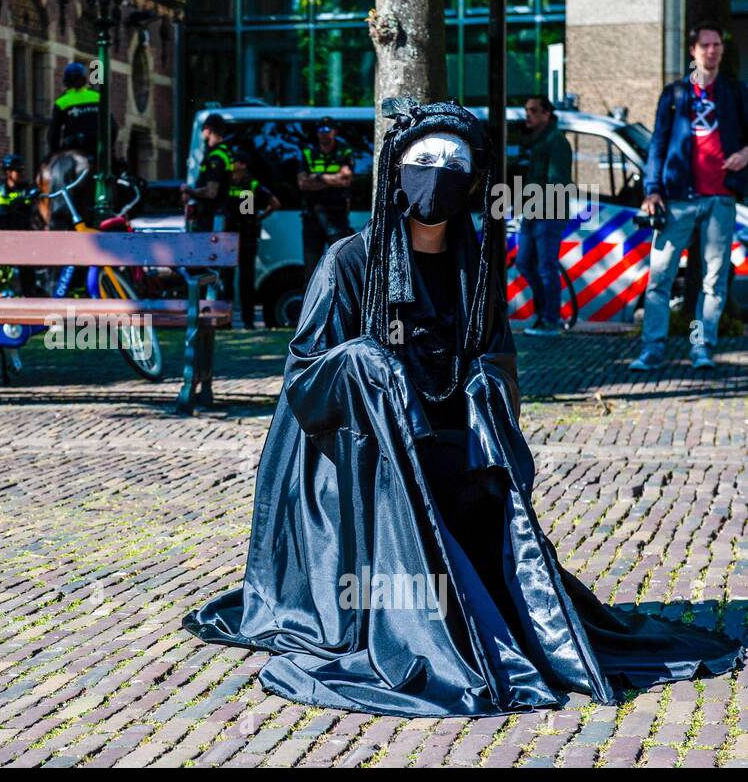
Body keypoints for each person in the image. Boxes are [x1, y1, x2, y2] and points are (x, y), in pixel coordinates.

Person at [182, 100, 744, 717]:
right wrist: (365, 365)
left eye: (455, 163)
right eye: (424, 161)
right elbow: (305, 379)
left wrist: (483, 385)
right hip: (365, 460)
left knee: (482, 510)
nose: (438, 175)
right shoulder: (348, 262)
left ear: (474, 179)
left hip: (450, 447)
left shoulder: (474, 269)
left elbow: (498, 360)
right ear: (397, 170)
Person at [631, 21, 748, 372]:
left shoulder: (735, 92)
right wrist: (652, 190)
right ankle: (652, 349)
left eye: (717, 45)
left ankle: (701, 348)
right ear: (693, 51)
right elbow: (658, 144)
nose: (713, 51)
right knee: (660, 278)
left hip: (720, 198)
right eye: (706, 45)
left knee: (713, 282)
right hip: (678, 198)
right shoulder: (676, 94)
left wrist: (745, 153)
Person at [516, 95, 574, 337]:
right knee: (524, 263)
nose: (528, 115)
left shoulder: (556, 141)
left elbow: (556, 183)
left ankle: (550, 320)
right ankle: (543, 315)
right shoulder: (538, 141)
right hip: (534, 213)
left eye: (533, 111)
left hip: (548, 214)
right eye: (526, 110)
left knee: (545, 267)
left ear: (546, 114)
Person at [222, 149, 280, 329]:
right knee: (231, 279)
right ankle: (233, 320)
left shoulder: (249, 185)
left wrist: (256, 219)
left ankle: (243, 320)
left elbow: (274, 203)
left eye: (235, 162)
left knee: (240, 280)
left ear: (243, 165)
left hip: (242, 236)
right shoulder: (231, 183)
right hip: (236, 236)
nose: (231, 165)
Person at [296, 115, 355, 283]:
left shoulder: (343, 151)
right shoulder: (308, 153)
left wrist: (318, 177)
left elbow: (346, 180)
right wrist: (333, 179)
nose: (323, 134)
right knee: (311, 266)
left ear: (334, 132)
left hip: (337, 215)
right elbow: (303, 184)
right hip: (312, 216)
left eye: (327, 130)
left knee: (339, 262)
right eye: (320, 130)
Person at [0, 154, 41, 296]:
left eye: (22, 171)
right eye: (18, 171)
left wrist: (34, 198)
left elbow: (38, 213)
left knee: (27, 282)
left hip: (23, 242)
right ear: (8, 172)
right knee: (0, 281)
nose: (22, 174)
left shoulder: (27, 190)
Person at [181, 113, 232, 233]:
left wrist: (188, 190)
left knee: (209, 250)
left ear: (208, 130)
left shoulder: (216, 157)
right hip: (215, 216)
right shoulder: (223, 153)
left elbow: (211, 192)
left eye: (203, 129)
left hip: (211, 217)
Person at [48, 62, 102, 158]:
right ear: (84, 79)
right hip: (99, 152)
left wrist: (54, 154)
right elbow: (113, 127)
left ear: (66, 82)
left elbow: (53, 134)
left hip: (74, 153)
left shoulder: (61, 102)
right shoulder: (97, 97)